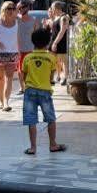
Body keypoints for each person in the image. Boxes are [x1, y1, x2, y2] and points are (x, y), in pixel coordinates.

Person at [21, 27, 66, 155]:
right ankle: (53, 144)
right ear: (47, 43)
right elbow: (51, 76)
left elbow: (24, 75)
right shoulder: (51, 58)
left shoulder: (27, 57)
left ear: (33, 41)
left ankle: (33, 148)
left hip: (30, 91)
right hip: (45, 91)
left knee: (31, 120)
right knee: (51, 118)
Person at [15, 0, 38, 94]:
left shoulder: (34, 20)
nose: (19, 10)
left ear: (26, 8)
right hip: (18, 49)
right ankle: (22, 87)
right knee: (20, 70)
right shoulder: (16, 19)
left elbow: (36, 35)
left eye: (21, 8)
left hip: (30, 49)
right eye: (18, 8)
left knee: (29, 70)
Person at [48, 1, 70, 86]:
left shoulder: (64, 17)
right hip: (53, 41)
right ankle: (51, 78)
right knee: (51, 60)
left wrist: (55, 43)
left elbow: (62, 31)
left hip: (60, 42)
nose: (52, 11)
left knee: (64, 61)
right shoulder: (56, 17)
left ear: (57, 8)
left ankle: (65, 78)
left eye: (53, 9)